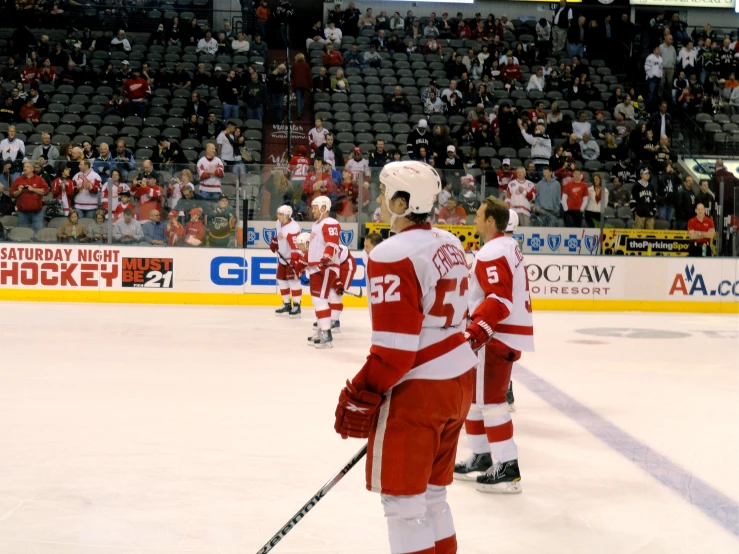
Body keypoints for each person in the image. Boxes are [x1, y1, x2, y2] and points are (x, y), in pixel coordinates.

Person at [333, 160, 476, 553]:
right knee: (433, 498)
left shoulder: (390, 254)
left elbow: (394, 352)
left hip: (420, 391)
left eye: (383, 192)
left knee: (404, 505)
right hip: (459, 381)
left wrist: (362, 392)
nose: (378, 199)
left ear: (401, 201)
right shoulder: (450, 242)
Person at [453, 197, 534, 493]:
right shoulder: (508, 246)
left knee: (492, 404)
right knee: (475, 400)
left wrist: (476, 331)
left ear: (491, 221)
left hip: (493, 337)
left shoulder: (492, 251)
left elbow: (498, 299)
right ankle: (482, 455)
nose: (474, 220)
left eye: (478, 215)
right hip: (498, 334)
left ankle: (507, 466)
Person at [291, 196, 341, 348]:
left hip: (325, 267)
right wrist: (304, 264)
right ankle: (322, 329)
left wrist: (326, 258)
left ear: (324, 208)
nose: (312, 210)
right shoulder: (316, 225)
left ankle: (326, 333)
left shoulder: (330, 222)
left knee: (320, 299)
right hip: (316, 268)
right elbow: (313, 248)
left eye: (315, 207)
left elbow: (332, 243)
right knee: (317, 300)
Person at [270, 205, 303, 317]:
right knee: (281, 279)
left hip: (292, 258)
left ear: (288, 215)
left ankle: (297, 306)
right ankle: (287, 304)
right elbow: (280, 235)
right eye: (278, 214)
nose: (278, 216)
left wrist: (294, 261)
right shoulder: (279, 223)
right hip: (283, 258)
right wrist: (275, 242)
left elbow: (296, 246)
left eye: (281, 214)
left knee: (293, 282)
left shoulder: (293, 228)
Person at [10, 161, 50, 232]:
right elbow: (11, 194)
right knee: (23, 233)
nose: (25, 168)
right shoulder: (18, 180)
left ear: (32, 169)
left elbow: (46, 191)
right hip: (22, 213)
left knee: (38, 233)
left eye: (27, 167)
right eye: (24, 167)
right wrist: (19, 191)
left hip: (37, 213)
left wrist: (33, 189)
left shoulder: (39, 179)